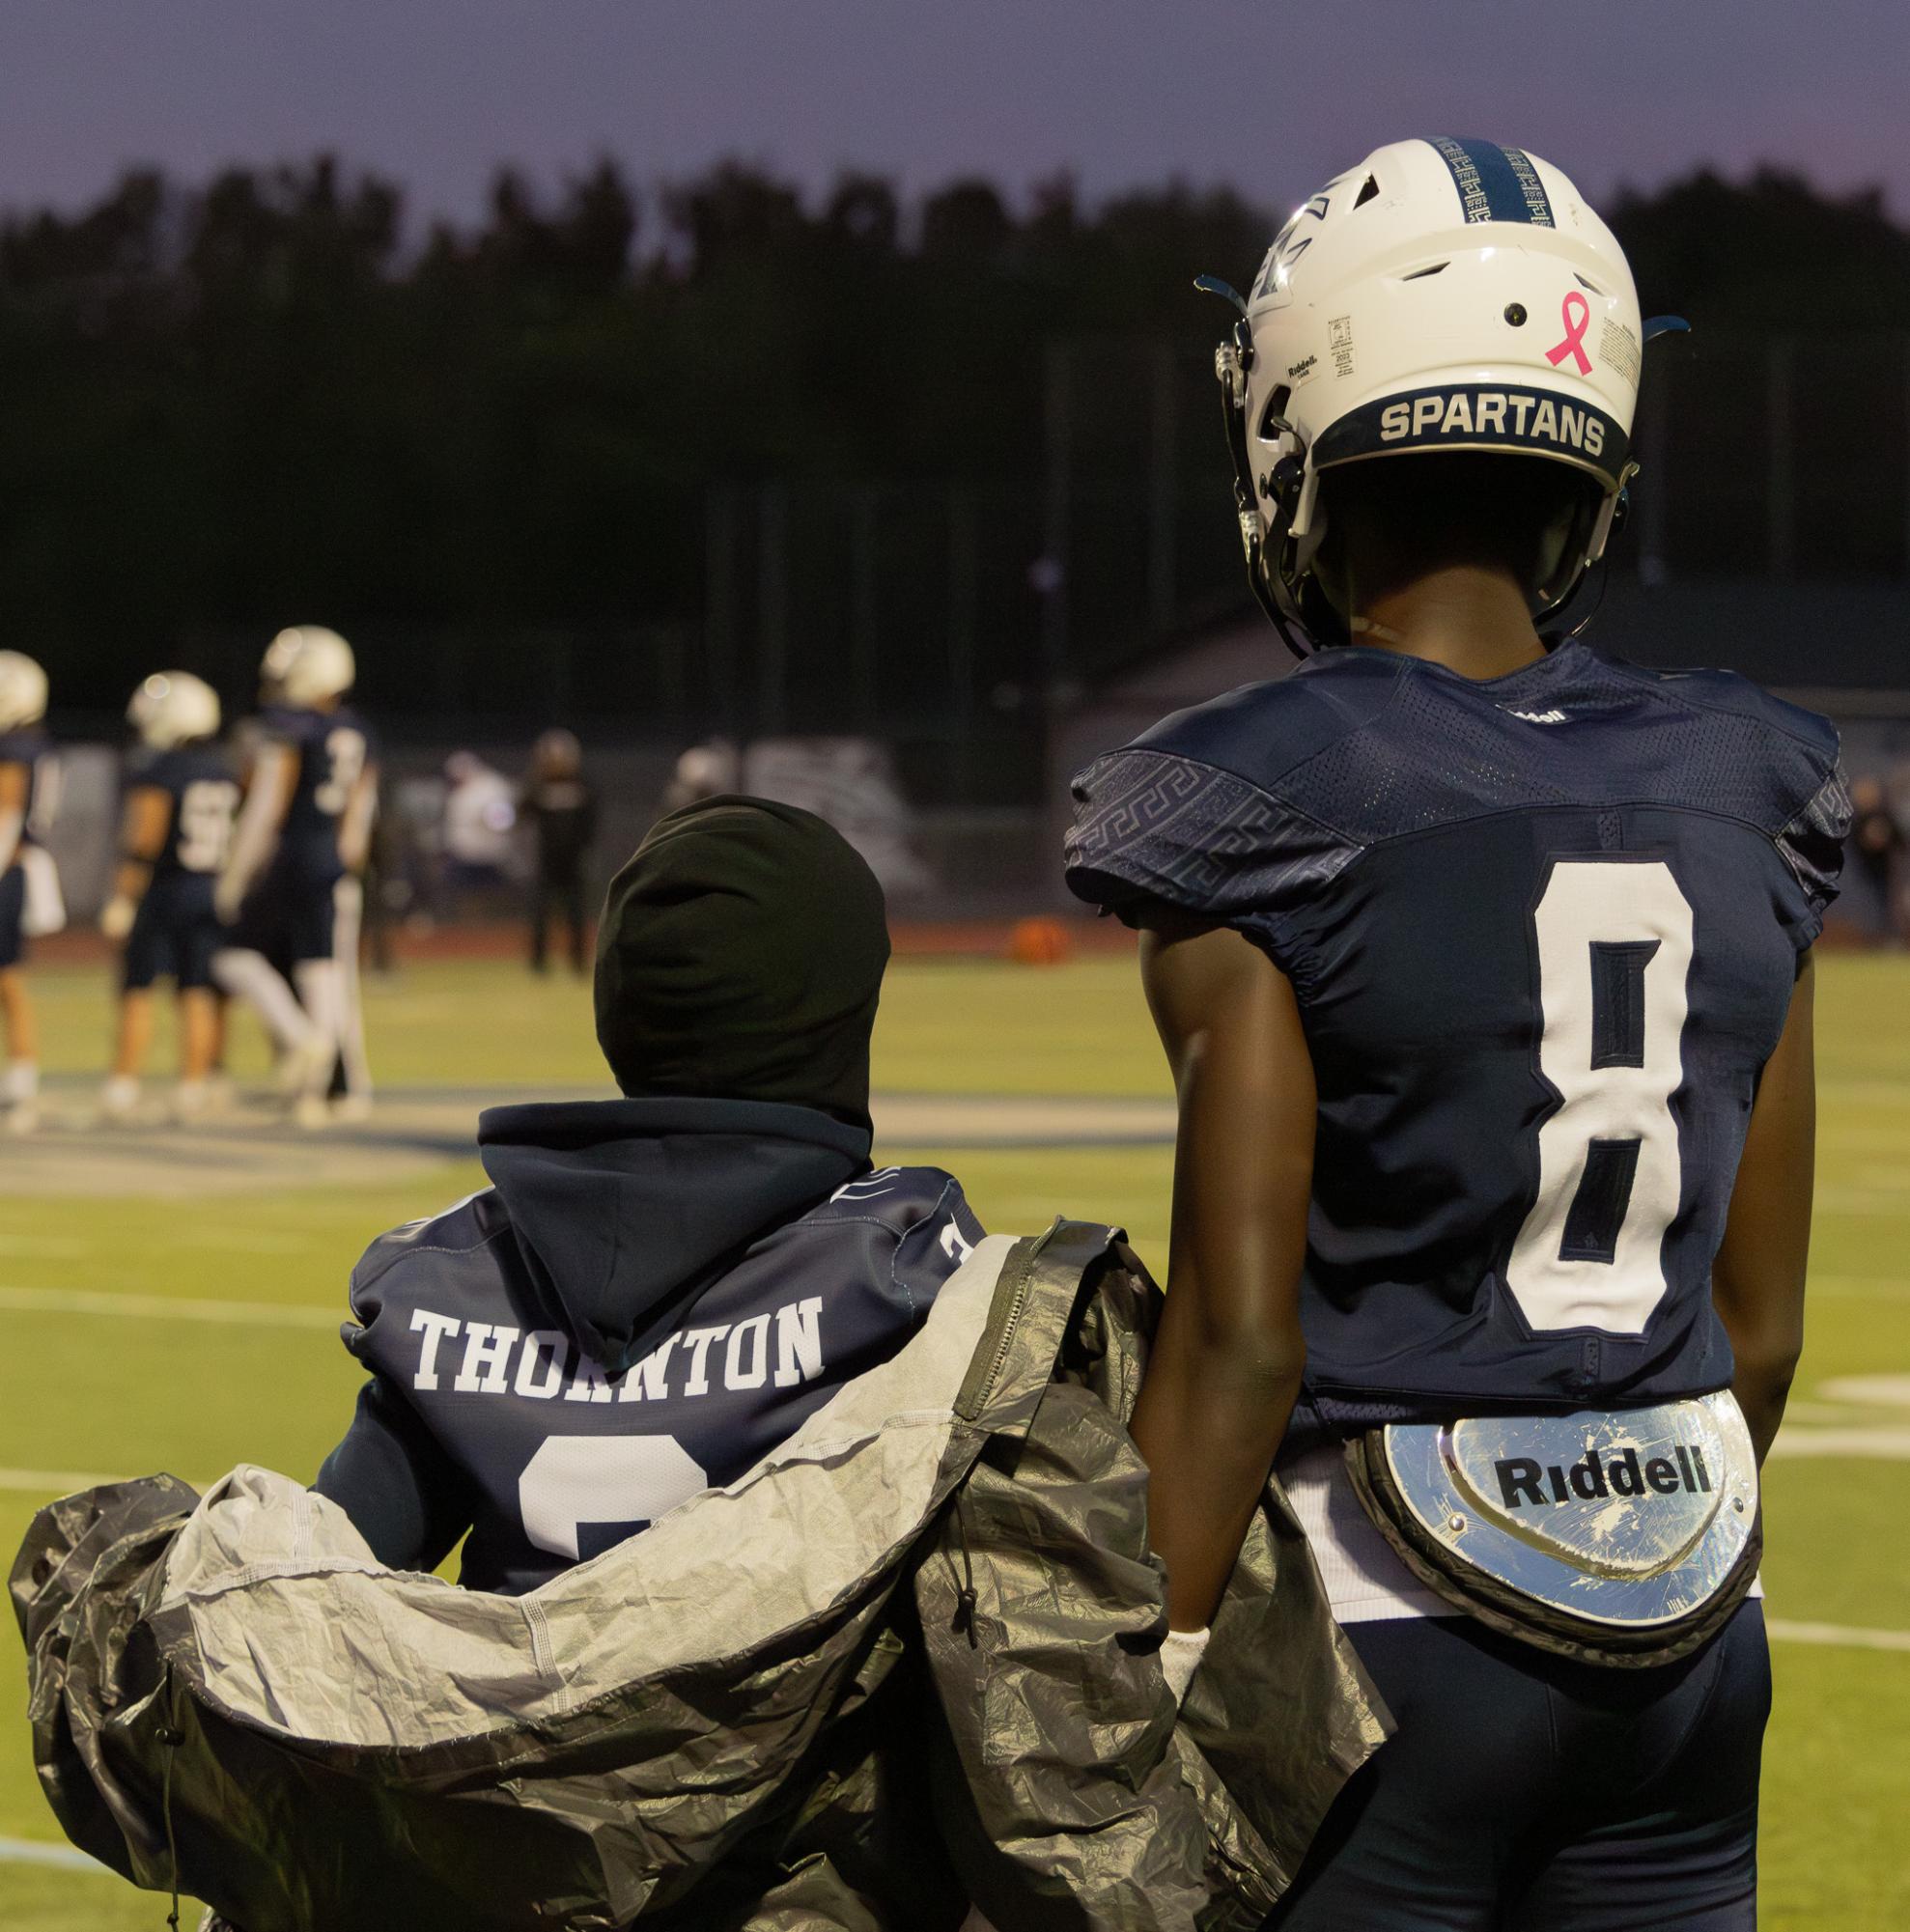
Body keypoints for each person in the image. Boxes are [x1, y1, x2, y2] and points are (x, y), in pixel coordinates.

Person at [1066, 137, 1849, 1930]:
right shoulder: (1755, 780)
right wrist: (1618, 1517)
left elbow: (1239, 1345)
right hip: (1686, 1630)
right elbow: (1760, 1321)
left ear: (1293, 428)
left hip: (1377, 1634)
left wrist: (1120, 1706)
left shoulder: (1254, 785)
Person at [313, 797, 983, 1593]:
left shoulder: (454, 1275)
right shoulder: (907, 1266)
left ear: (619, 1007)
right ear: (839, 1006)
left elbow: (313, 1594)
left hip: (512, 1715)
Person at [214, 627, 378, 1125]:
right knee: (325, 975)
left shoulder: (289, 728)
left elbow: (267, 807)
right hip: (332, 864)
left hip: (289, 862)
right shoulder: (356, 730)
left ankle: (310, 1061)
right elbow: (360, 806)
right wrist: (347, 858)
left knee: (231, 953)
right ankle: (335, 1088)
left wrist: (235, 876)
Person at [98, 673, 240, 1123]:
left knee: (137, 988)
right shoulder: (224, 768)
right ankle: (193, 1087)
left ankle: (123, 1085)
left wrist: (122, 896)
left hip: (165, 891)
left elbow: (145, 837)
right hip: (209, 889)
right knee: (196, 989)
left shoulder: (158, 771)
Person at [0, 650, 60, 1135]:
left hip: (6, 870)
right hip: (19, 870)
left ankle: (22, 1081)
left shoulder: (16, 748)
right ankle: (21, 1079)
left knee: (8, 978)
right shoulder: (33, 744)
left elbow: (5, 817)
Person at [521, 727, 598, 974]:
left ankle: (577, 961)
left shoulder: (583, 785)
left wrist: (585, 847)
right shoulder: (538, 785)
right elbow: (523, 812)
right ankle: (538, 962)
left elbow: (591, 822)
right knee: (541, 913)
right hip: (547, 861)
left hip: (573, 861)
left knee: (575, 913)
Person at [1849, 774, 1902, 940]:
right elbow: (1855, 843)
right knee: (1868, 907)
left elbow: (1899, 841)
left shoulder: (1884, 815)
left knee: (1887, 906)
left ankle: (1889, 937)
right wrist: (1869, 840)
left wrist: (1884, 837)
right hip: (1864, 871)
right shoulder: (1856, 819)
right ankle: (1871, 937)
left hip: (1886, 871)